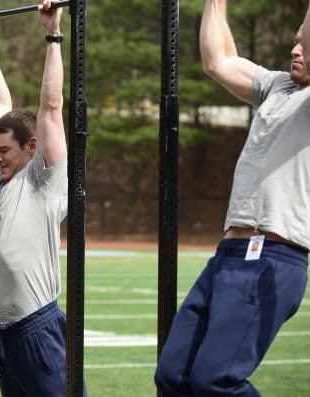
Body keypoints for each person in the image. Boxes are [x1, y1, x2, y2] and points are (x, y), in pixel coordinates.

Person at [155, 1, 310, 395]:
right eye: (294, 43)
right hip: (228, 255)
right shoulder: (278, 86)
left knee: (216, 382)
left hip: (274, 257)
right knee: (173, 377)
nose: (295, 49)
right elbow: (219, 60)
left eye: (304, 45)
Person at [0, 1, 86, 395]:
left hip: (37, 328)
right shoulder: (5, 174)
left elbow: (51, 109)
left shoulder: (43, 180)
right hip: (5, 330)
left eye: (4, 150)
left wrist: (53, 34)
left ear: (31, 147)